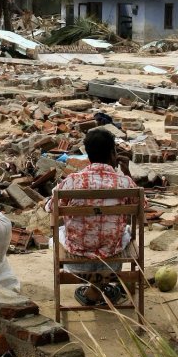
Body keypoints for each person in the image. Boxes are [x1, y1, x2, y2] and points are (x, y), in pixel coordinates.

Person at [46, 127, 138, 306]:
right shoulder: (124, 182)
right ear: (113, 153)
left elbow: (50, 207)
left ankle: (94, 289)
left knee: (58, 232)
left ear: (88, 155)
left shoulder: (73, 181)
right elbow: (142, 206)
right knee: (124, 231)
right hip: (113, 257)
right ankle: (99, 288)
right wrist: (126, 172)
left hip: (77, 259)